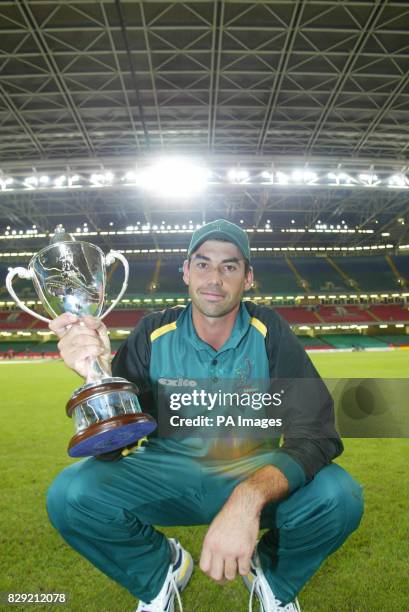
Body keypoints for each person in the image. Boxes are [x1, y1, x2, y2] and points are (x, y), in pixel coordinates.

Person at [46, 220, 364, 612]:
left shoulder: (271, 333)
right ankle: (162, 568)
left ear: (248, 278)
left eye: (230, 266)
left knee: (339, 496)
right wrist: (100, 374)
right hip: (166, 472)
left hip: (252, 469)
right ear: (185, 271)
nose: (214, 278)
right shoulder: (152, 332)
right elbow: (113, 448)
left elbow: (318, 432)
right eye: (203, 264)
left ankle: (273, 576)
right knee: (69, 495)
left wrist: (249, 497)